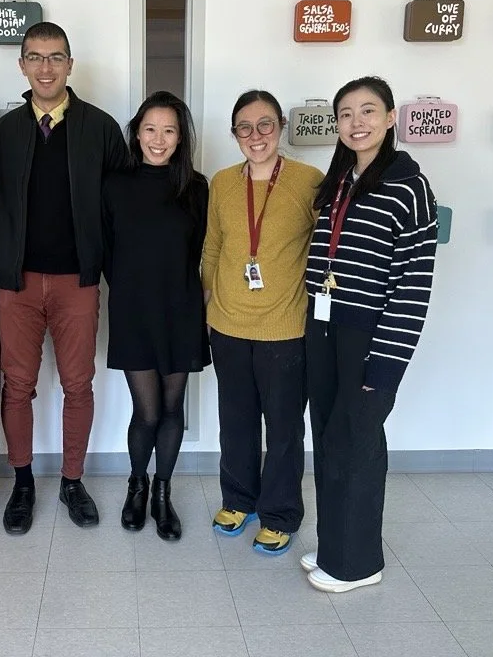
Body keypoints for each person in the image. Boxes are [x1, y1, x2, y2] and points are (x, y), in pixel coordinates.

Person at [0, 21, 130, 534]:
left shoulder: (101, 127)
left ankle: (72, 480)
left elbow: (121, 207)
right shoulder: (3, 131)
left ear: (71, 64)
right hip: (17, 283)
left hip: (78, 282)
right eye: (35, 57)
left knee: (78, 384)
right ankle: (23, 481)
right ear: (22, 65)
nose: (46, 67)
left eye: (56, 57)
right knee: (18, 385)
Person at [302, 76, 437, 593]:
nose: (356, 123)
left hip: (369, 335)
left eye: (367, 111)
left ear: (390, 117)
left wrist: (384, 370)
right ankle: (335, 544)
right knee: (331, 440)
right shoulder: (339, 181)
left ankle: (358, 563)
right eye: (345, 114)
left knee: (358, 445)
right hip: (323, 326)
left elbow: (412, 289)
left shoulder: (410, 186)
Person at [202, 90, 322, 556]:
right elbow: (213, 247)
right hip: (228, 324)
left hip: (286, 327)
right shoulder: (222, 183)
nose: (256, 136)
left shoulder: (309, 181)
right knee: (235, 421)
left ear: (281, 128)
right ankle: (239, 499)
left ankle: (280, 514)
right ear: (234, 135)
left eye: (265, 124)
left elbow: (326, 249)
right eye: (245, 128)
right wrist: (202, 306)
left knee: (285, 427)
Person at [102, 91, 210, 541]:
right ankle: (137, 485)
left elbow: (205, 249)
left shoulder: (196, 187)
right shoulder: (114, 183)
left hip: (181, 309)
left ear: (181, 137)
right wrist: (125, 291)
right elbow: (104, 248)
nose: (159, 139)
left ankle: (163, 491)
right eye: (150, 129)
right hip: (133, 310)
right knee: (145, 411)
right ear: (137, 132)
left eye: (169, 130)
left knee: (172, 409)